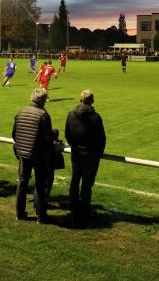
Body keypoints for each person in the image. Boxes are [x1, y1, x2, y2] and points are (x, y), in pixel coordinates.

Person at [12, 89, 55, 223]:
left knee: (22, 182)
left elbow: (14, 134)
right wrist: (54, 135)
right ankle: (41, 215)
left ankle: (19, 213)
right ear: (42, 100)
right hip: (38, 154)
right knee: (40, 185)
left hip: (23, 154)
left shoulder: (20, 112)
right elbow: (48, 139)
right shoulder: (43, 115)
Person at [65, 89, 106, 225]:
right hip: (91, 155)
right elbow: (102, 138)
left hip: (76, 154)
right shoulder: (95, 117)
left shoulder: (71, 114)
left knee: (75, 180)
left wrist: (74, 146)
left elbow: (67, 134)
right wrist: (98, 152)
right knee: (87, 185)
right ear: (92, 101)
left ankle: (74, 208)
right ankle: (84, 210)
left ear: (80, 99)